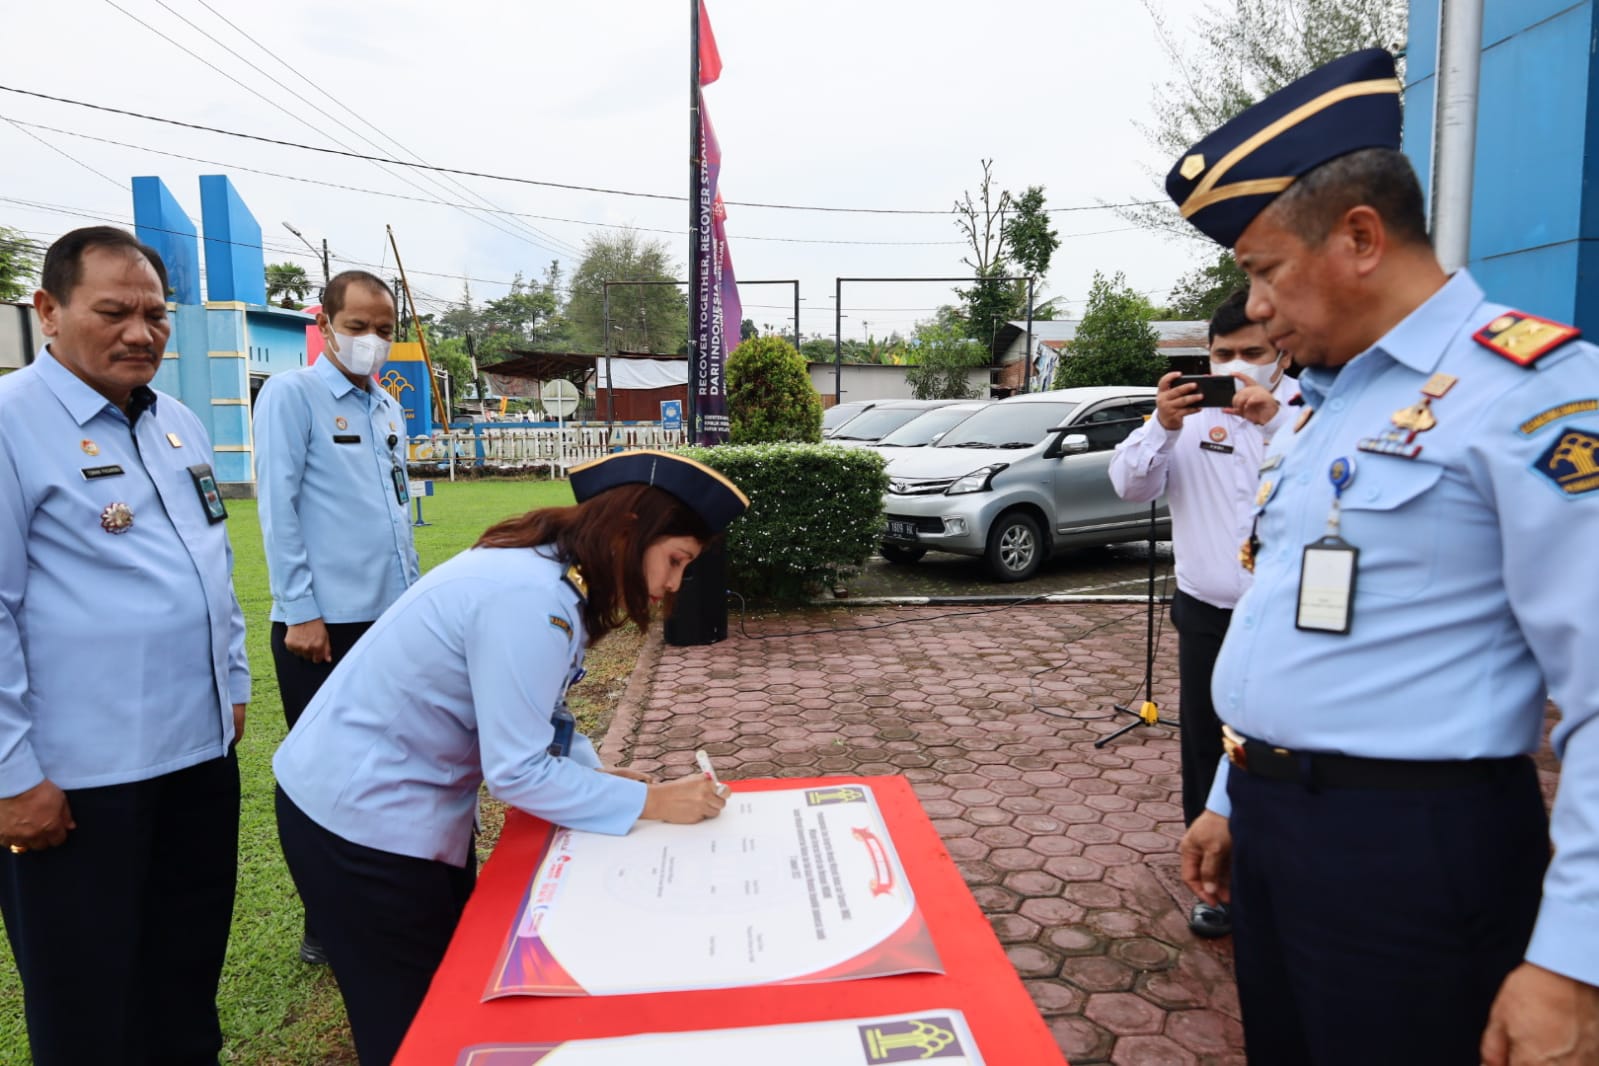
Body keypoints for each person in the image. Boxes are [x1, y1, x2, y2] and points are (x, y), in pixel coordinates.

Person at [1167, 49, 1599, 1065]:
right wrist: (1235, 794)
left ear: (1360, 237)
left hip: (1415, 852)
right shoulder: (1326, 401)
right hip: (1276, 832)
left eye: (1265, 271)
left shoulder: (1530, 390)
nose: (1256, 309)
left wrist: (1574, 961)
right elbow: (1293, 614)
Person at [273, 449, 746, 1064]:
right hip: (359, 824)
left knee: (444, 991)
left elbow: (539, 713)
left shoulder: (543, 572)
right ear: (630, 532)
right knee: (412, 1028)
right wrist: (652, 801)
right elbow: (517, 771)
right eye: (675, 560)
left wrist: (591, 772)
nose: (673, 585)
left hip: (391, 809)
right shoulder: (534, 601)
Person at [0, 227, 250, 1064]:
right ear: (50, 311)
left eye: (155, 314)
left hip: (197, 760)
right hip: (79, 783)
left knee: (182, 984)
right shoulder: (11, 424)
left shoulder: (176, 422)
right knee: (88, 1007)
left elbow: (212, 561)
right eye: (114, 311)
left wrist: (236, 679)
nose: (141, 333)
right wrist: (11, 776)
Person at [1107, 288, 1296, 938]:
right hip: (1208, 612)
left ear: (1281, 356)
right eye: (1222, 354)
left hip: (1293, 619)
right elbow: (1129, 485)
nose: (1235, 367)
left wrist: (1272, 421)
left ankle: (1284, 873)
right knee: (1206, 747)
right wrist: (1160, 423)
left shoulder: (1307, 413)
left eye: (1252, 353)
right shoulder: (1183, 419)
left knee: (1289, 744)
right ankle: (1212, 883)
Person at [253, 268, 418, 965]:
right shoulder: (293, 396)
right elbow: (277, 506)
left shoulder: (385, 405)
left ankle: (384, 906)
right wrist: (299, 612)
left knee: (388, 769)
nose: (371, 341)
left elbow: (394, 509)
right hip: (322, 626)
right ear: (324, 323)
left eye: (384, 329)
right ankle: (325, 925)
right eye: (357, 326)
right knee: (327, 781)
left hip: (388, 618)